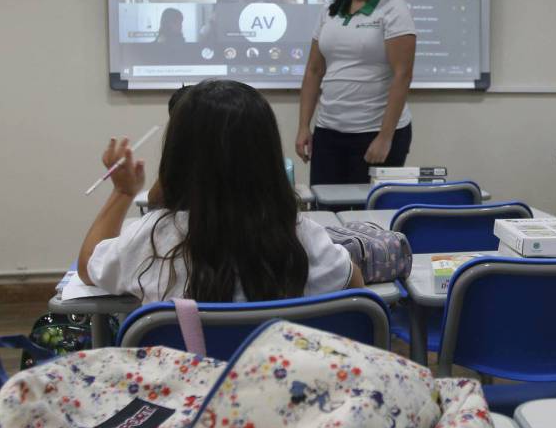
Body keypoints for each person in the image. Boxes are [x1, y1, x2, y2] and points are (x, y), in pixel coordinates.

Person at [77, 80, 364, 303]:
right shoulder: (298, 234)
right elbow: (354, 285)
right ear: (267, 159)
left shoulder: (153, 238)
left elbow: (88, 267)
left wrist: (123, 193)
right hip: (278, 377)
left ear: (177, 157)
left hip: (186, 378)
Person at [295, 0, 417, 184]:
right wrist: (304, 126)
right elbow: (314, 71)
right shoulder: (330, 10)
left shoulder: (394, 9)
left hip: (375, 133)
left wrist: (386, 137)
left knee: (369, 217)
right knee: (326, 211)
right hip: (329, 131)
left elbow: (402, 75)